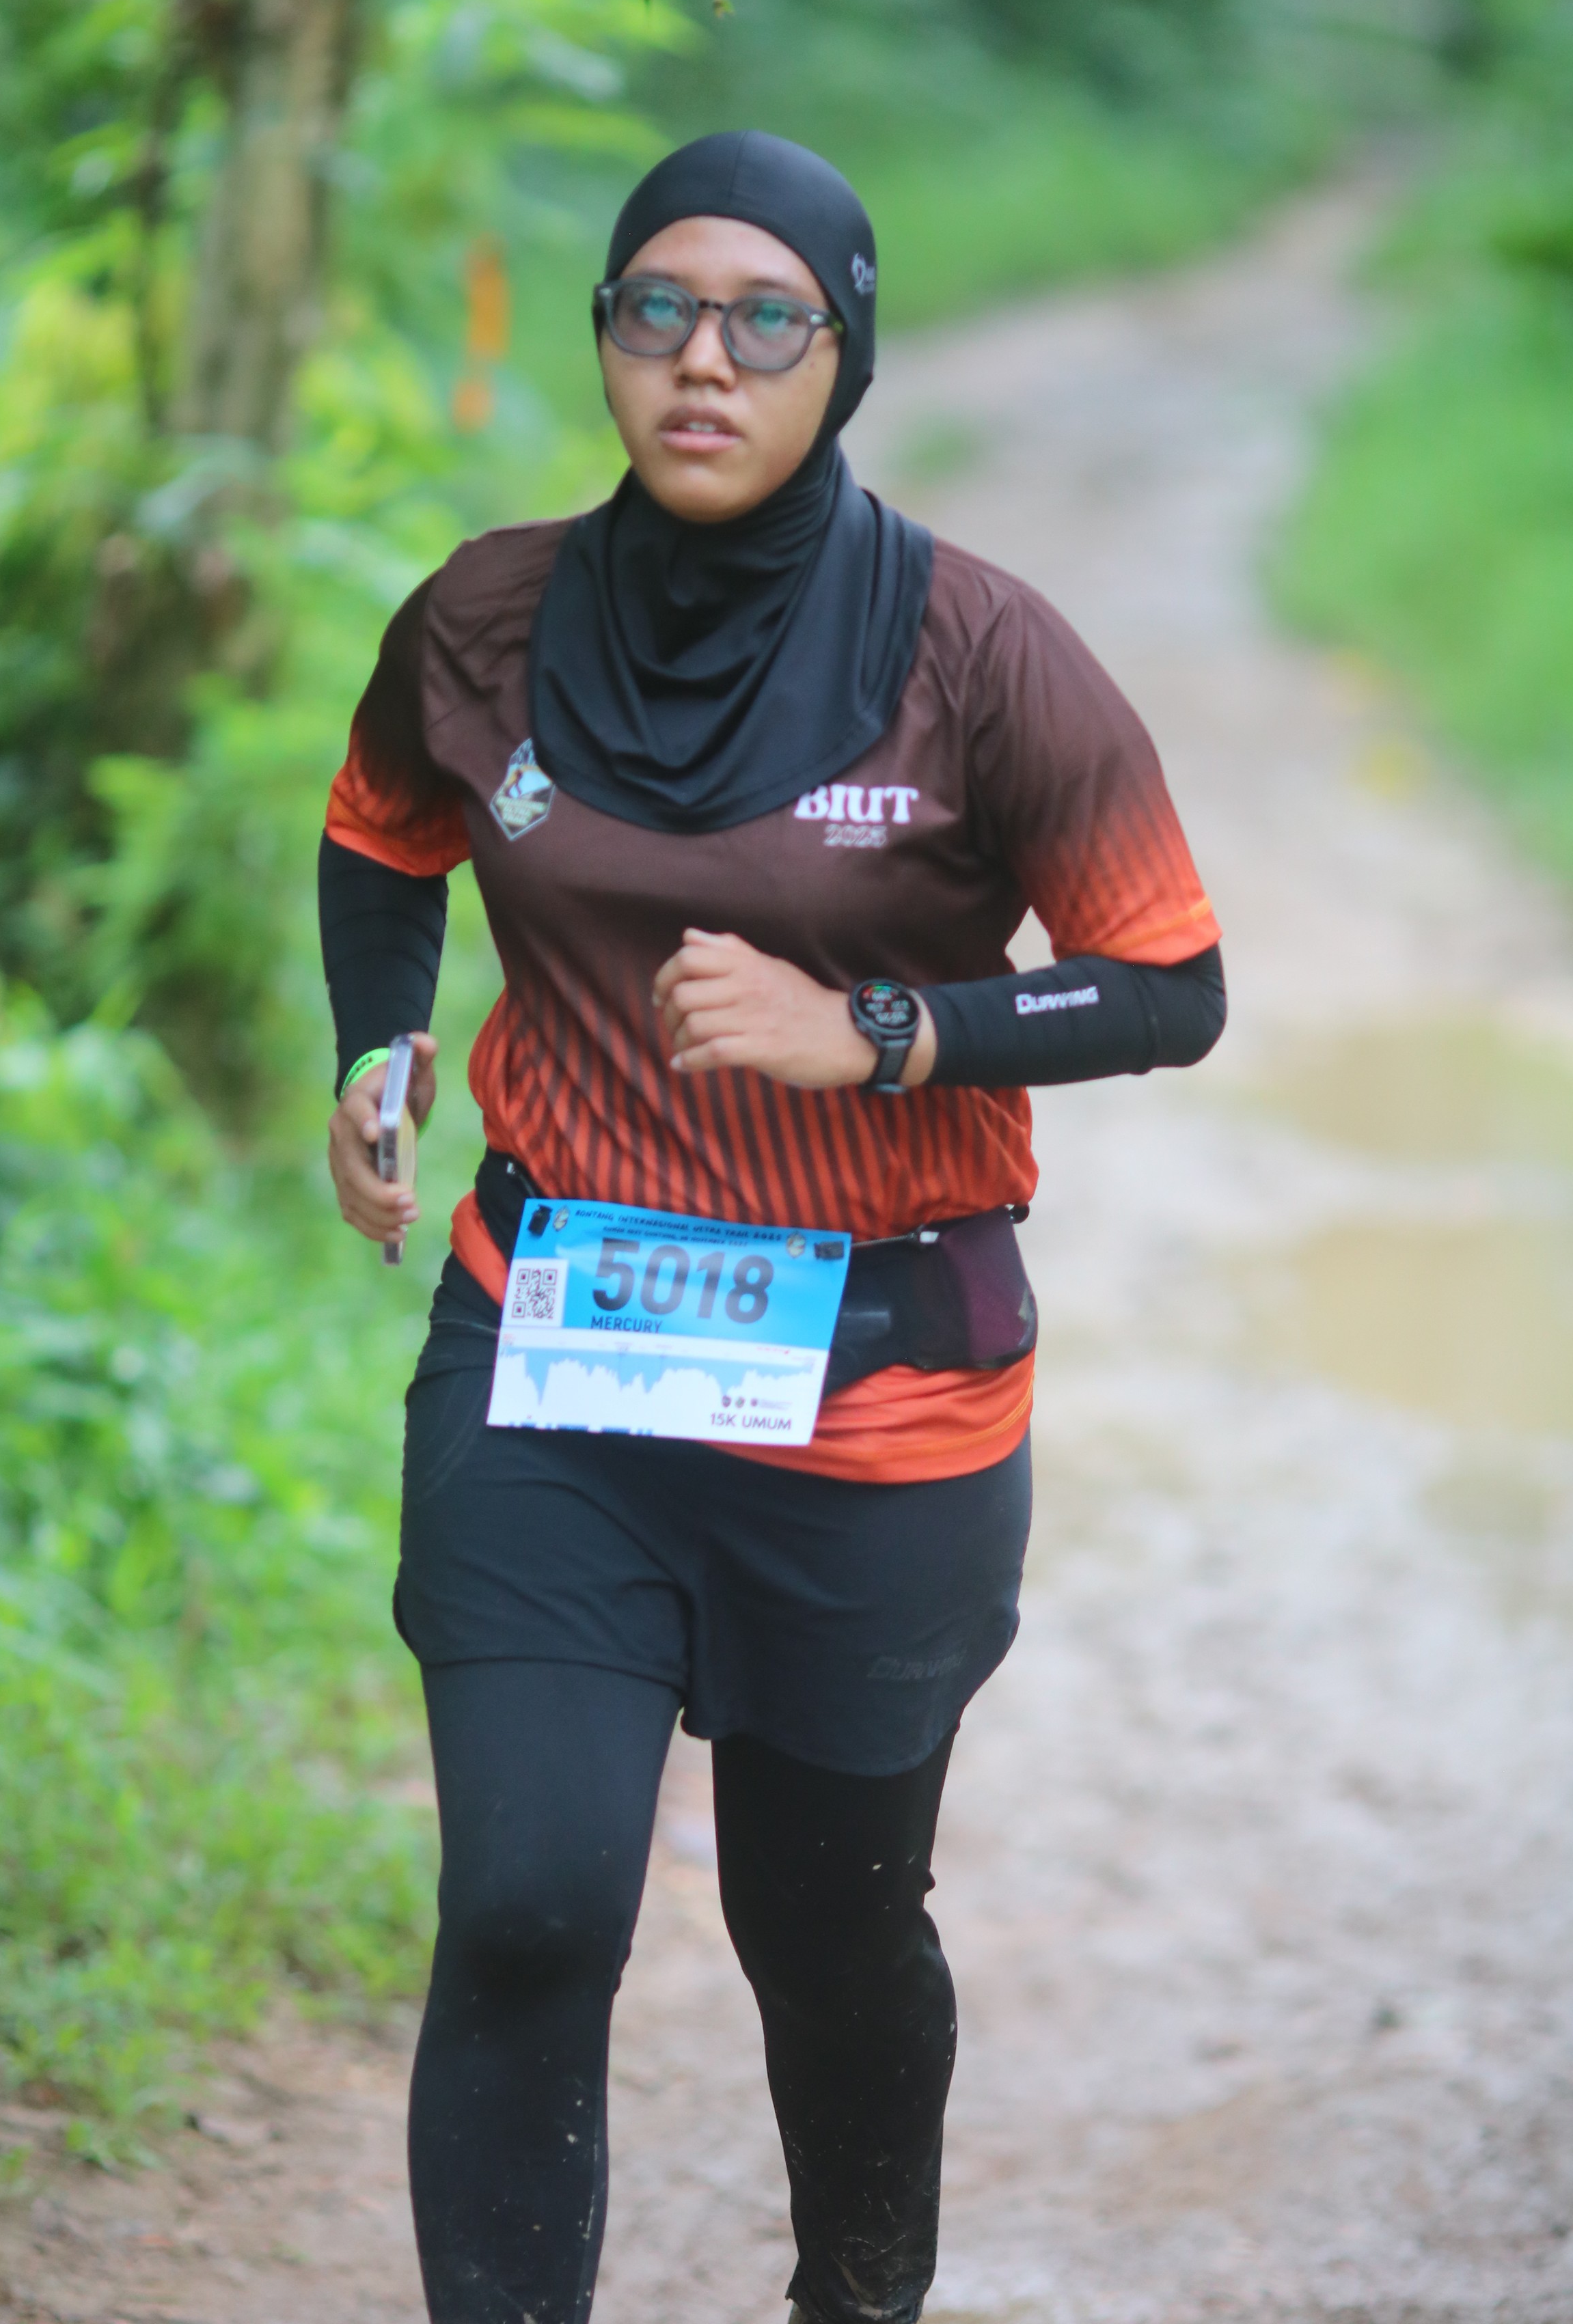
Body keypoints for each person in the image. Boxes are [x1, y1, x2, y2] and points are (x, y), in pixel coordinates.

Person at [318, 130, 1225, 2324]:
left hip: (874, 1399)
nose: (702, 361)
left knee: (822, 1932)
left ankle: (856, 2297)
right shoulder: (484, 615)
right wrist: (377, 1045)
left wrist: (882, 1033)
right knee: (528, 1911)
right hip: (553, 1350)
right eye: (657, 309)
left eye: (763, 319)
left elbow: (1170, 982)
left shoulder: (982, 652)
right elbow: (380, 831)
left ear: (847, 353)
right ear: (604, 339)